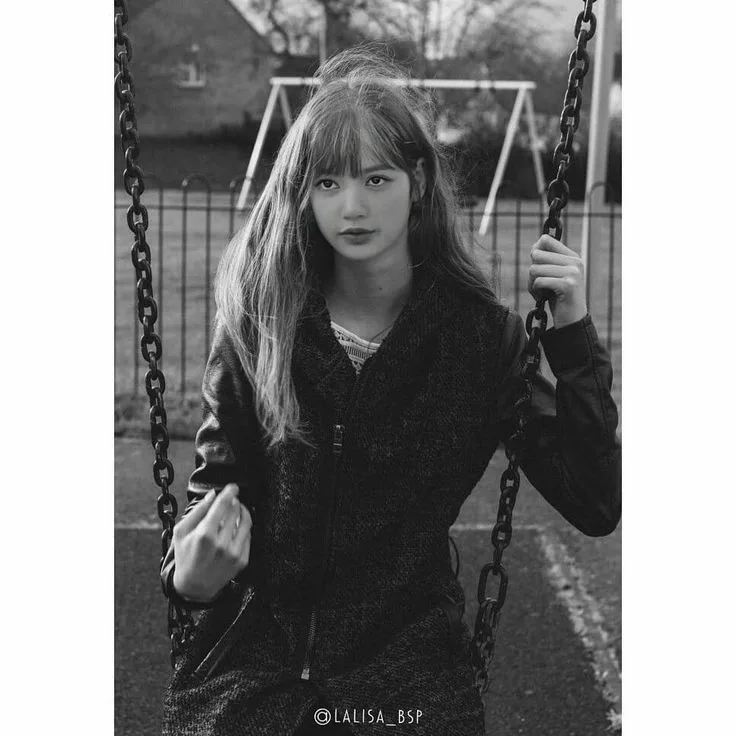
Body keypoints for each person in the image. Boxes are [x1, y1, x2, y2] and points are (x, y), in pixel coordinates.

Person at [159, 45, 621, 736]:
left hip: (405, 673)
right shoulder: (262, 329)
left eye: (376, 179)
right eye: (328, 183)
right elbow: (215, 498)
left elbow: (594, 500)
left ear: (419, 180)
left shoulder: (479, 342)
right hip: (257, 664)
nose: (353, 207)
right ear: (303, 194)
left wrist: (573, 335)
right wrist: (190, 580)